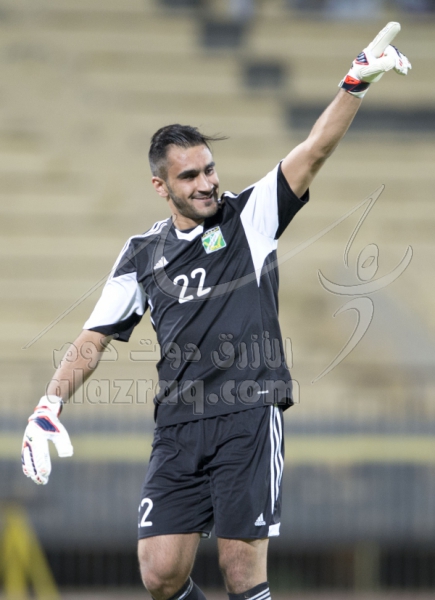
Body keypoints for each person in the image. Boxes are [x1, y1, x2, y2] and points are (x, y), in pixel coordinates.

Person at [21, 24, 410, 600]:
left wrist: (354, 84)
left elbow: (314, 150)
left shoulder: (249, 217)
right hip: (178, 425)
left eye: (209, 169)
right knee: (160, 573)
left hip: (248, 413)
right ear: (161, 186)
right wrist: (49, 404)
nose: (207, 183)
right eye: (190, 176)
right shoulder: (141, 253)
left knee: (240, 570)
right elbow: (92, 338)